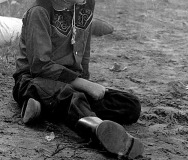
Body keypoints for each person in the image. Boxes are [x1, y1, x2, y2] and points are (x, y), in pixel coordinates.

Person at [12, 0, 144, 159]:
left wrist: (85, 82)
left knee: (129, 104)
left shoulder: (85, 5)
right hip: (35, 78)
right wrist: (85, 85)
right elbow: (41, 67)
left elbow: (84, 52)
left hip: (71, 80)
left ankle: (42, 108)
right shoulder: (39, 11)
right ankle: (96, 129)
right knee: (68, 95)